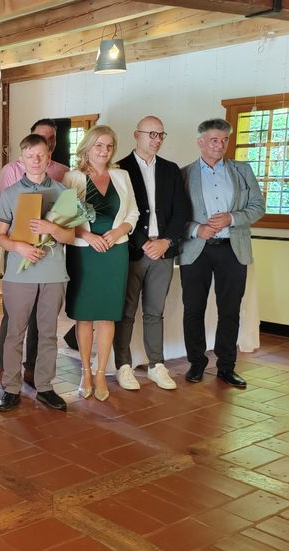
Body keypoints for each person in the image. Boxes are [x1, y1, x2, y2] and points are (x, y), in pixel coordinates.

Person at [180, 118, 264, 389]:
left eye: (224, 139)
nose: (220, 145)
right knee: (193, 309)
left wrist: (232, 217)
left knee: (230, 310)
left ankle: (226, 367)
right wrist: (196, 229)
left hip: (233, 249)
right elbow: (173, 216)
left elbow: (258, 206)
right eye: (214, 140)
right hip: (196, 250)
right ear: (200, 142)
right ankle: (196, 363)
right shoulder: (184, 174)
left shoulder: (242, 170)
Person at [0, 134, 73, 413]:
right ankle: (11, 388)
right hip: (19, 275)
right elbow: (1, 236)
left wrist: (52, 229)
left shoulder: (63, 193)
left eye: (41, 155)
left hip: (53, 273)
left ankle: (45, 387)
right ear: (21, 159)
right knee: (15, 333)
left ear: (49, 158)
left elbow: (70, 236)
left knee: (48, 333)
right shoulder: (10, 194)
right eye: (30, 156)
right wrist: (19, 247)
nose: (36, 160)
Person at [112, 116, 189, 391]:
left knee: (155, 312)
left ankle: (156, 365)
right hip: (133, 250)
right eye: (151, 134)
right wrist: (144, 242)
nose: (157, 139)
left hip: (164, 251)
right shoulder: (119, 169)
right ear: (137, 135)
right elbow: (119, 212)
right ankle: (123, 365)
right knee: (126, 312)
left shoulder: (171, 170)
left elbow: (181, 211)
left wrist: (166, 241)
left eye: (161, 135)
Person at [63, 125, 139, 401]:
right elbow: (64, 218)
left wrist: (119, 232)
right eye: (99, 145)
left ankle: (100, 373)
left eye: (109, 146)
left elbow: (133, 212)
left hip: (115, 252)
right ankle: (85, 372)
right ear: (87, 147)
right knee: (84, 315)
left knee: (108, 315)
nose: (104, 151)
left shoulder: (122, 175)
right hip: (85, 252)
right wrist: (87, 236)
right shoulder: (72, 177)